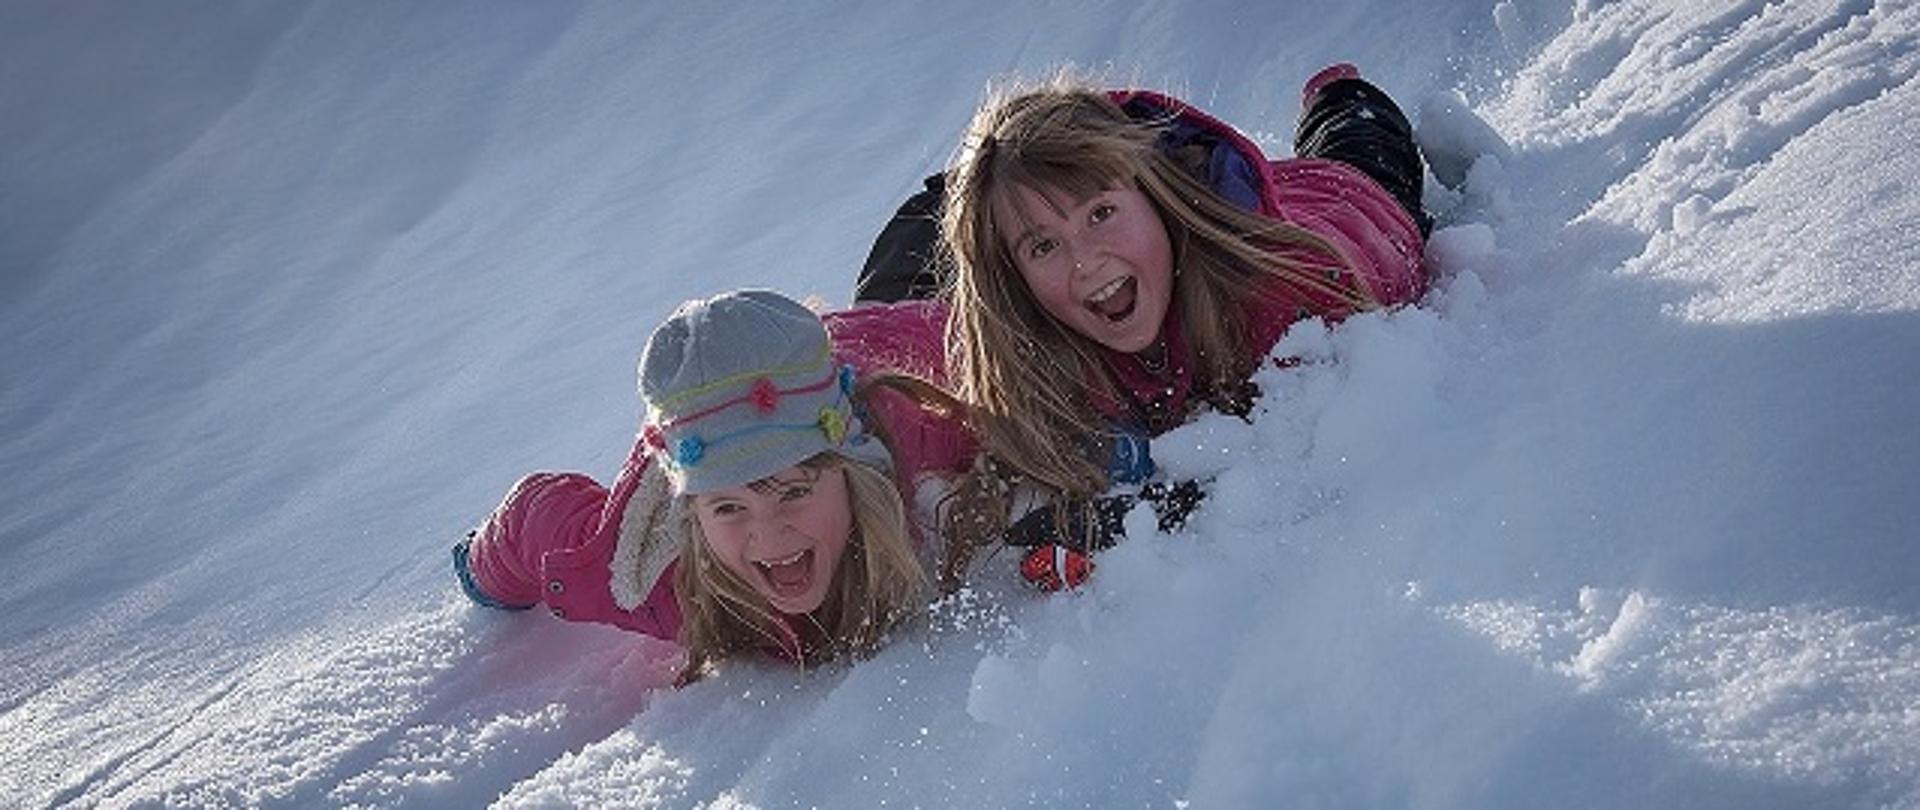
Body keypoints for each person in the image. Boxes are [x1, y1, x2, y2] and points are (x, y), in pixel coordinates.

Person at [933, 65, 1434, 578]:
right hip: (1259, 205)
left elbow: (1301, 456)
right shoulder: (1043, 342)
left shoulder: (1279, 296)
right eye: (1043, 245)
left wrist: (1154, 513)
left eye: (1100, 214)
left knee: (1358, 139)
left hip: (1354, 204)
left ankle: (1337, 91)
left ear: (1155, 196)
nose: (1085, 261)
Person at [453, 290, 975, 682]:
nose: (768, 535)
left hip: (879, 343)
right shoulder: (649, 575)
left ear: (851, 473)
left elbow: (986, 344)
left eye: (793, 491)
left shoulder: (914, 432)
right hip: (707, 422)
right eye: (728, 507)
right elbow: (534, 518)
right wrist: (482, 573)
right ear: (691, 517)